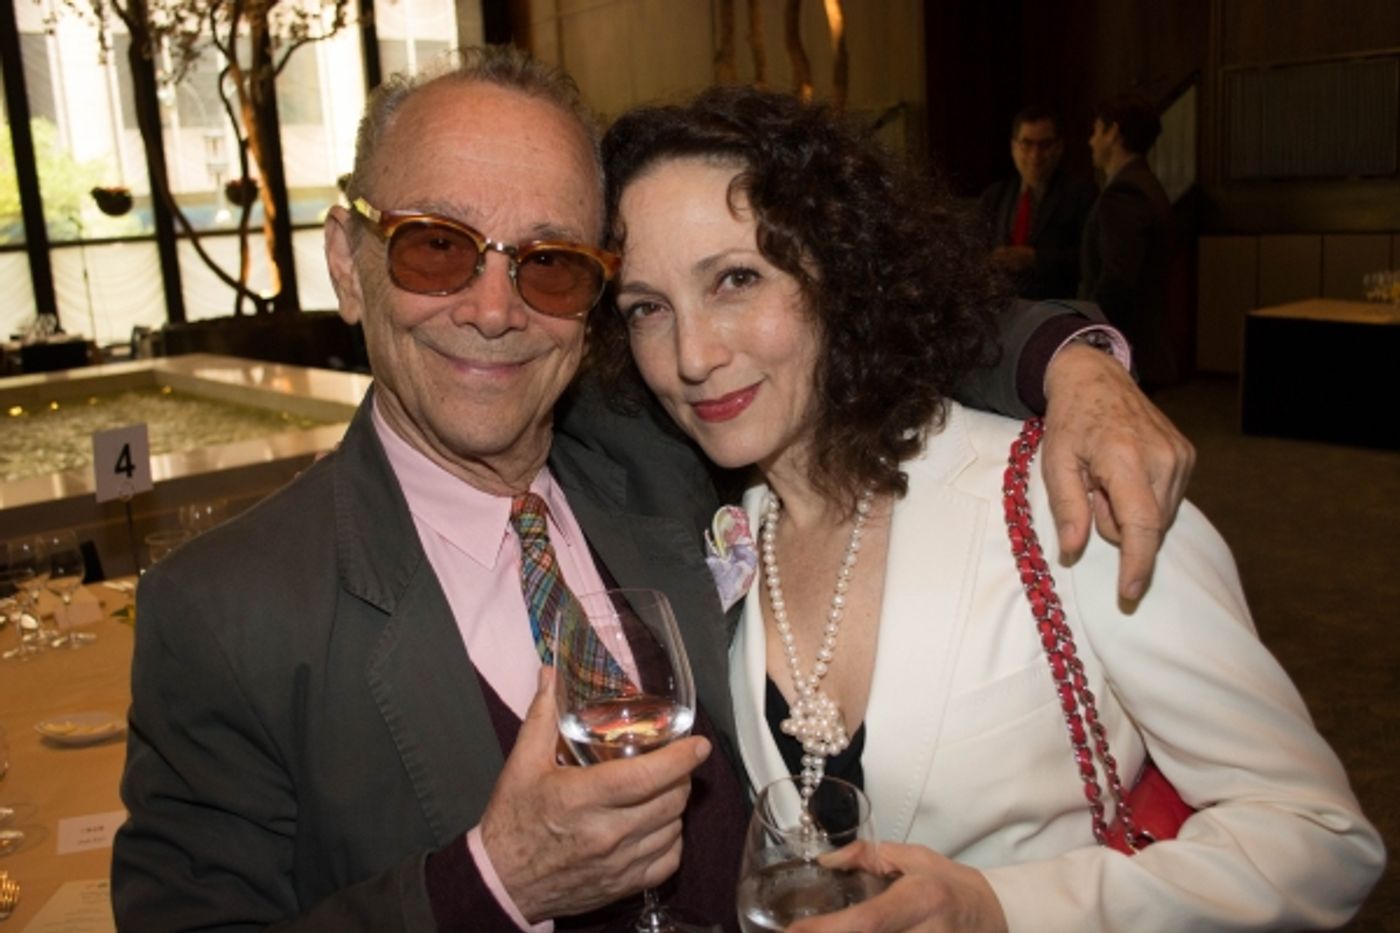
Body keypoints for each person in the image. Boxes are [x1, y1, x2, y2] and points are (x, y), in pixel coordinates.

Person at [112, 48, 1193, 932]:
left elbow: (860, 325)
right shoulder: (224, 612)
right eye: (436, 248)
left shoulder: (660, 445)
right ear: (348, 262)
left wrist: (1072, 364)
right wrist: (491, 885)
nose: (493, 309)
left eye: (546, 263)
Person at [595, 85, 1384, 932]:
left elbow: (1322, 839)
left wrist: (1003, 908)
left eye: (737, 279)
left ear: (842, 270)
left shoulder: (1063, 490)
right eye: (648, 308)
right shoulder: (717, 531)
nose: (691, 354)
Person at [1081, 93, 1178, 392]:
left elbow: (1119, 278)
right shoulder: (1145, 183)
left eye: (1097, 130)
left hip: (1128, 347)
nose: (1091, 141)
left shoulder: (1124, 193)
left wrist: (1086, 332)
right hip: (1142, 344)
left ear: (1114, 132)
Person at [978, 106, 1095, 300]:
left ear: (1059, 147)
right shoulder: (994, 196)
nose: (1035, 154)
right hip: (1000, 308)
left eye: (1044, 145)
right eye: (1027, 144)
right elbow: (975, 249)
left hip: (1054, 310)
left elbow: (1089, 259)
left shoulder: (1080, 194)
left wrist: (1035, 259)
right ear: (1013, 147)